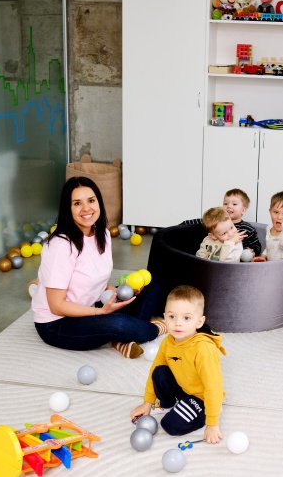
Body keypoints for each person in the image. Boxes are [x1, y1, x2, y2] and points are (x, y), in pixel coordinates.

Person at [32, 176, 166, 359]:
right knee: (118, 323)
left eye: (91, 200)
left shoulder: (102, 233)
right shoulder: (60, 246)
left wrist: (123, 292)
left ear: (99, 202)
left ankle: (123, 338)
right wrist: (100, 312)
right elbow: (57, 306)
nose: (86, 208)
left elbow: (97, 281)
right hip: (58, 323)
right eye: (77, 203)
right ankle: (155, 328)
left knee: (153, 283)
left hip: (90, 307)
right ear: (67, 209)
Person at [130, 285, 226, 443]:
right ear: (164, 317)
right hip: (183, 388)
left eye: (186, 318)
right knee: (159, 372)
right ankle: (168, 404)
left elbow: (213, 387)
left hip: (200, 398)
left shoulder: (203, 349)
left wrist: (212, 423)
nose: (177, 323)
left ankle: (204, 414)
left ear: (199, 322)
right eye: (172, 317)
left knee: (170, 425)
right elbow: (154, 370)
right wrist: (147, 403)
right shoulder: (168, 342)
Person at [182, 188, 262, 255]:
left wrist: (253, 251)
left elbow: (256, 244)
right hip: (216, 258)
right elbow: (201, 221)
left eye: (234, 204)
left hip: (237, 260)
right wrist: (182, 225)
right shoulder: (216, 221)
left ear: (243, 210)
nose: (229, 206)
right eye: (225, 203)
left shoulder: (247, 228)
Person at [254, 190, 283, 261]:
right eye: (276, 212)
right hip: (271, 265)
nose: (279, 217)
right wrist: (263, 256)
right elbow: (269, 247)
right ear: (270, 212)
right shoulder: (269, 228)